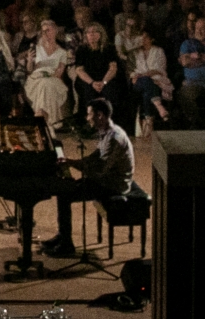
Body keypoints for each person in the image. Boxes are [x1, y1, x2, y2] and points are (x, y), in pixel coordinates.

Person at [41, 98, 136, 258]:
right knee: (64, 190)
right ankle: (63, 236)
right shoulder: (107, 131)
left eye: (89, 114)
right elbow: (94, 158)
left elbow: (101, 171)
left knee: (64, 194)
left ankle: (66, 244)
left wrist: (75, 168)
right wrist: (70, 162)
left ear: (99, 115)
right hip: (106, 179)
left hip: (113, 185)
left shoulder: (114, 137)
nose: (87, 118)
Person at [22, 18, 72, 127]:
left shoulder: (62, 52)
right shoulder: (36, 48)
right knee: (44, 84)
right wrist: (30, 60)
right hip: (36, 79)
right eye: (43, 31)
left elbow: (59, 73)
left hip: (54, 79)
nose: (45, 33)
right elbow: (30, 70)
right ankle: (50, 122)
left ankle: (41, 117)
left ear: (55, 31)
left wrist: (48, 74)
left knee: (47, 84)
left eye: (48, 30)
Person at [129, 28, 173, 126]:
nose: (143, 40)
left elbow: (160, 68)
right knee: (145, 81)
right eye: (142, 38)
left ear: (151, 39)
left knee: (147, 92)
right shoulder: (135, 53)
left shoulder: (158, 51)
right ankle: (159, 106)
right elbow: (131, 70)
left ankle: (148, 121)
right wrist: (137, 76)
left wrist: (146, 74)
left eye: (146, 37)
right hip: (138, 81)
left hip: (155, 80)